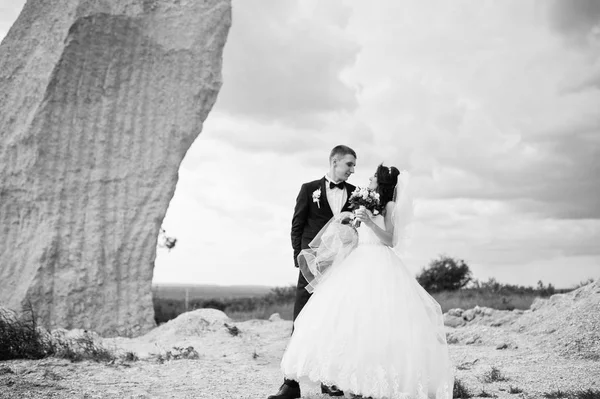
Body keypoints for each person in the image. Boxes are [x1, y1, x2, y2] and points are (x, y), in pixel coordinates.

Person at [279, 165, 454, 399]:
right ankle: (348, 381)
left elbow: (391, 240)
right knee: (348, 320)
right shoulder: (365, 201)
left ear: (381, 181)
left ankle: (378, 382)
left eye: (373, 176)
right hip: (357, 260)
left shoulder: (390, 206)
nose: (369, 178)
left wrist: (369, 222)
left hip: (380, 262)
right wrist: (350, 223)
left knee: (378, 321)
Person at [267, 145, 357, 399]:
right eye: (349, 164)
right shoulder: (309, 190)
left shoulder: (356, 193)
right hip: (312, 267)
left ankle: (330, 380)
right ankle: (290, 384)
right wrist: (301, 258)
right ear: (334, 161)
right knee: (301, 321)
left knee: (335, 322)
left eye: (354, 166)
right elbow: (297, 225)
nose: (352, 170)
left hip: (342, 269)